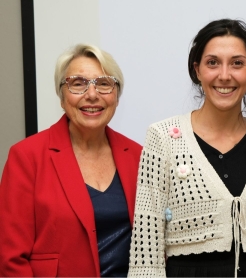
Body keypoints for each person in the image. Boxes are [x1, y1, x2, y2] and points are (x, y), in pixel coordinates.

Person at [128, 19, 246, 277]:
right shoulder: (163, 138)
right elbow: (146, 244)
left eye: (237, 63)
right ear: (197, 70)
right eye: (213, 62)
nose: (225, 75)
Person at [0, 44, 142, 277]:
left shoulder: (138, 156)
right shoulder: (27, 157)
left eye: (104, 83)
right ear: (62, 96)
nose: (92, 94)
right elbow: (11, 259)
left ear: (116, 96)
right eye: (78, 84)